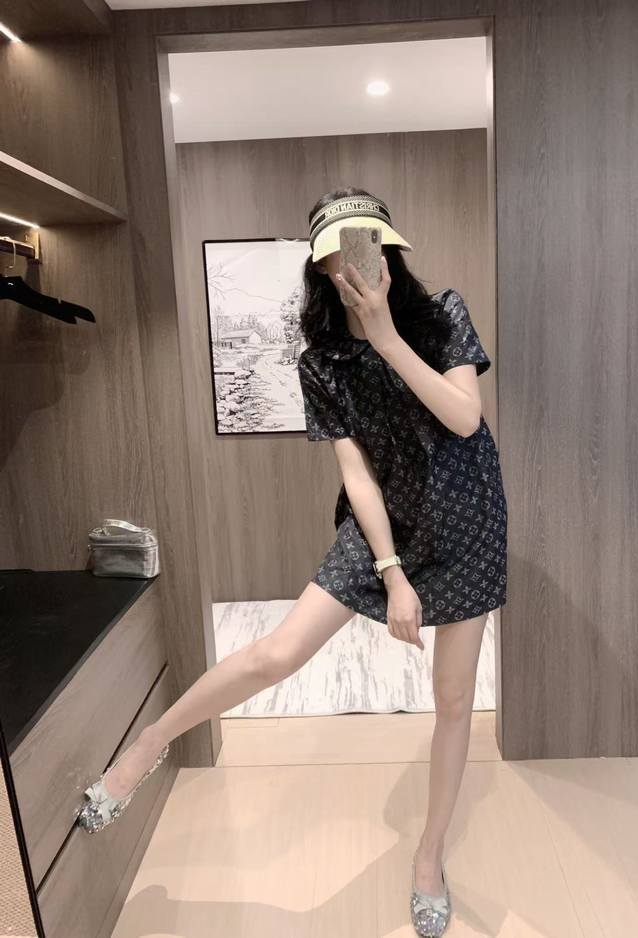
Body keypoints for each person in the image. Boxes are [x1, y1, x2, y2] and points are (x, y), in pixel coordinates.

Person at [77, 185, 507, 938]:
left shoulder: (442, 315)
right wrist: (391, 572)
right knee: (278, 652)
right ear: (321, 268)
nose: (356, 265)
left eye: (368, 245)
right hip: (384, 520)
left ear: (389, 250)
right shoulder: (322, 361)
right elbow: (357, 474)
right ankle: (151, 741)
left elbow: (465, 418)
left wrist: (387, 337)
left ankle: (429, 856)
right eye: (338, 254)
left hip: (468, 517)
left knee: (451, 701)